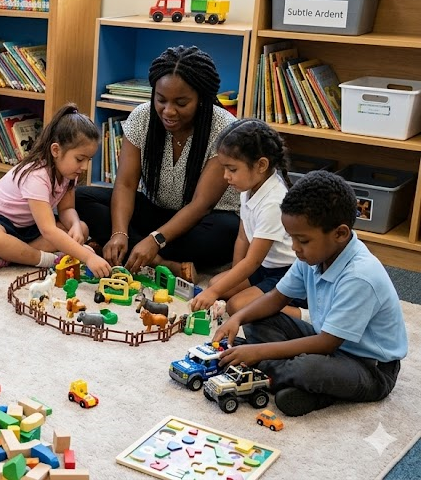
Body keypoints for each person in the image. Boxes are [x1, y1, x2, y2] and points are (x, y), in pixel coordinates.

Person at [214, 170, 407, 417]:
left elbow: (327, 343)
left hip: (370, 368)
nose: (295, 248)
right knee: (255, 316)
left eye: (302, 240)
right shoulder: (312, 257)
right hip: (326, 342)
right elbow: (276, 298)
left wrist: (258, 352)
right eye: (292, 238)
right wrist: (237, 318)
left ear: (340, 234)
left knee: (309, 369)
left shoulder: (360, 276)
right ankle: (293, 381)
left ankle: (271, 371)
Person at [74, 45, 239, 281]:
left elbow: (201, 204)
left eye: (181, 103)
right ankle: (160, 262)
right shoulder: (142, 116)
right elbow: (126, 185)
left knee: (227, 231)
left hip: (202, 220)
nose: (168, 111)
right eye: (161, 100)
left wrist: (155, 240)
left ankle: (138, 251)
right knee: (81, 197)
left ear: (201, 99)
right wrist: (119, 232)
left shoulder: (223, 127)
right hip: (156, 213)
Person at [0, 104, 112, 276]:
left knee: (83, 230)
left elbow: (67, 209)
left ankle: (8, 256)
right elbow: (48, 229)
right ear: (56, 150)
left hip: (29, 225)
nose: (85, 166)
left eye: (88, 159)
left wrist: (76, 225)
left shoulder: (69, 172)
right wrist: (88, 257)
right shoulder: (37, 175)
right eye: (80, 159)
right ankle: (45, 259)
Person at [190, 119, 299, 319]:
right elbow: (242, 238)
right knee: (215, 283)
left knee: (236, 306)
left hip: (287, 273)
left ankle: (303, 314)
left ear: (261, 165)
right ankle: (257, 297)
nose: (225, 176)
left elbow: (252, 261)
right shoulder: (248, 188)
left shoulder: (273, 202)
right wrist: (233, 276)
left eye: (232, 169)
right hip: (264, 267)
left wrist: (215, 292)